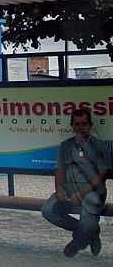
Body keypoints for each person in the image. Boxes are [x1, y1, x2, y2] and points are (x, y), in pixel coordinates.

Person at [42, 108, 110, 257]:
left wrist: (82, 193)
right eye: (77, 124)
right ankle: (92, 233)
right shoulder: (66, 146)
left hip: (92, 192)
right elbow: (60, 169)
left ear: (90, 125)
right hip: (69, 189)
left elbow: (102, 174)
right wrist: (59, 189)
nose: (80, 127)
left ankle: (77, 243)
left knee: (88, 220)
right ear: (72, 126)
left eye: (84, 124)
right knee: (48, 210)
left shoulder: (99, 146)